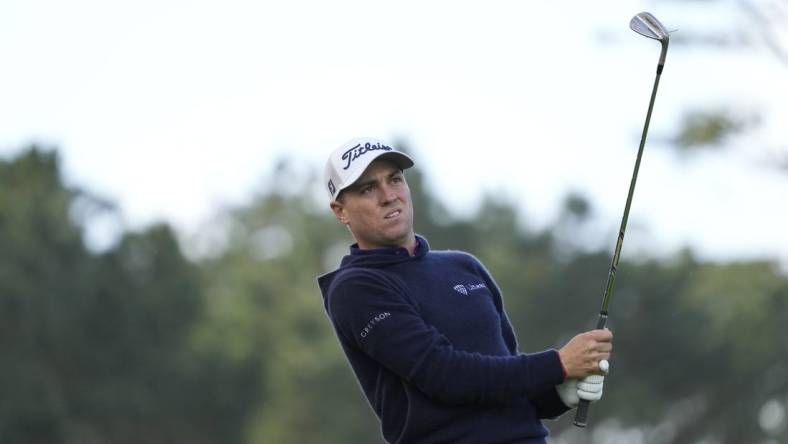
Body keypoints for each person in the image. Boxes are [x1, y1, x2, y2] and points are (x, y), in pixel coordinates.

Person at [317, 137, 613, 444]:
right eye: (368, 188)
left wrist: (558, 394)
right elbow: (445, 375)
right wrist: (558, 365)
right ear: (341, 211)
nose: (388, 195)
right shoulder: (355, 289)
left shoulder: (463, 267)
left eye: (395, 179)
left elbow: (507, 379)